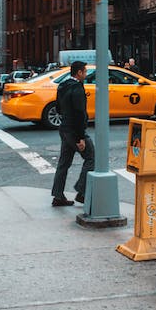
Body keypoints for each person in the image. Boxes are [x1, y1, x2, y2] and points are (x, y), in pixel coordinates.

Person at [51, 61, 95, 206]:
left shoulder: (63, 85)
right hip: (74, 131)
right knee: (91, 158)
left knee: (63, 163)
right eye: (85, 71)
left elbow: (58, 108)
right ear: (79, 73)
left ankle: (58, 196)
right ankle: (81, 192)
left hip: (64, 128)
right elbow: (79, 114)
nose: (86, 74)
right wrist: (80, 138)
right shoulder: (77, 89)